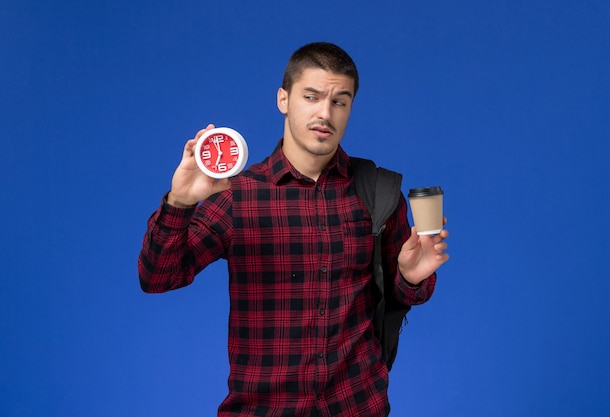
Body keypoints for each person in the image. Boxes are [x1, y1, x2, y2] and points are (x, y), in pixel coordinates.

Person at [138, 41, 449, 417]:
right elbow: (158, 277)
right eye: (312, 96)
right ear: (283, 100)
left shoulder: (378, 191)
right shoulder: (239, 195)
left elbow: (402, 295)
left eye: (340, 101)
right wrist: (181, 202)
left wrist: (411, 278)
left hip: (357, 406)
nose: (325, 113)